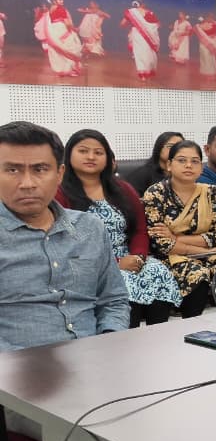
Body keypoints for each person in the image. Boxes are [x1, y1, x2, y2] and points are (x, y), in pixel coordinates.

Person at [0, 121, 129, 352]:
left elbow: (113, 300)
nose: (28, 183)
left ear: (59, 174)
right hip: (16, 364)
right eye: (12, 170)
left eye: (40, 169)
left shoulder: (90, 228)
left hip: (94, 357)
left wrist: (109, 344)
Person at [56, 130, 183, 327]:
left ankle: (158, 336)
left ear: (107, 158)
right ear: (69, 155)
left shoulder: (122, 189)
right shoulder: (59, 193)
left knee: (158, 271)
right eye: (83, 151)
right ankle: (126, 340)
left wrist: (138, 256)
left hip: (130, 257)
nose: (91, 157)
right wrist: (116, 263)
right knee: (123, 282)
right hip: (86, 263)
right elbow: (63, 242)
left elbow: (140, 229)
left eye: (98, 152)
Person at [142, 140, 216, 317]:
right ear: (169, 165)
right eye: (181, 160)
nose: (189, 165)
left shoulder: (211, 192)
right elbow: (161, 244)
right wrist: (203, 250)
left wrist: (176, 237)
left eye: (195, 161)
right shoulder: (156, 193)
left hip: (209, 254)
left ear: (201, 167)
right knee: (197, 274)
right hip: (170, 258)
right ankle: (191, 325)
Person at [126, 131, 185, 196]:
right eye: (170, 146)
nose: (176, 150)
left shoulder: (187, 172)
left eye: (180, 147)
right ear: (159, 148)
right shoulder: (142, 175)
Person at [43, 0, 83, 77]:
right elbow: (67, 23)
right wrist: (73, 29)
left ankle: (61, 70)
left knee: (58, 50)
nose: (62, 1)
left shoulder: (50, 10)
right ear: (55, 1)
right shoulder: (62, 9)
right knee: (69, 48)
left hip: (54, 30)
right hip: (62, 28)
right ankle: (69, 69)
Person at [121, 0, 160, 80]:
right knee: (149, 53)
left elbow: (122, 24)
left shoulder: (132, 13)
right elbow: (158, 25)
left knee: (139, 53)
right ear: (143, 4)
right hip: (149, 36)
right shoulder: (149, 13)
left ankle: (143, 75)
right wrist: (149, 29)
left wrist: (133, 24)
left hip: (137, 35)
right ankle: (149, 72)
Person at [194, 12, 216, 78]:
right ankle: (205, 72)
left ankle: (211, 73)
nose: (210, 18)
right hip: (203, 44)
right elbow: (197, 31)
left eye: (212, 17)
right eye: (209, 17)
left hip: (212, 43)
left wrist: (214, 38)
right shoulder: (201, 25)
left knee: (211, 58)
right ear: (206, 17)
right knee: (204, 58)